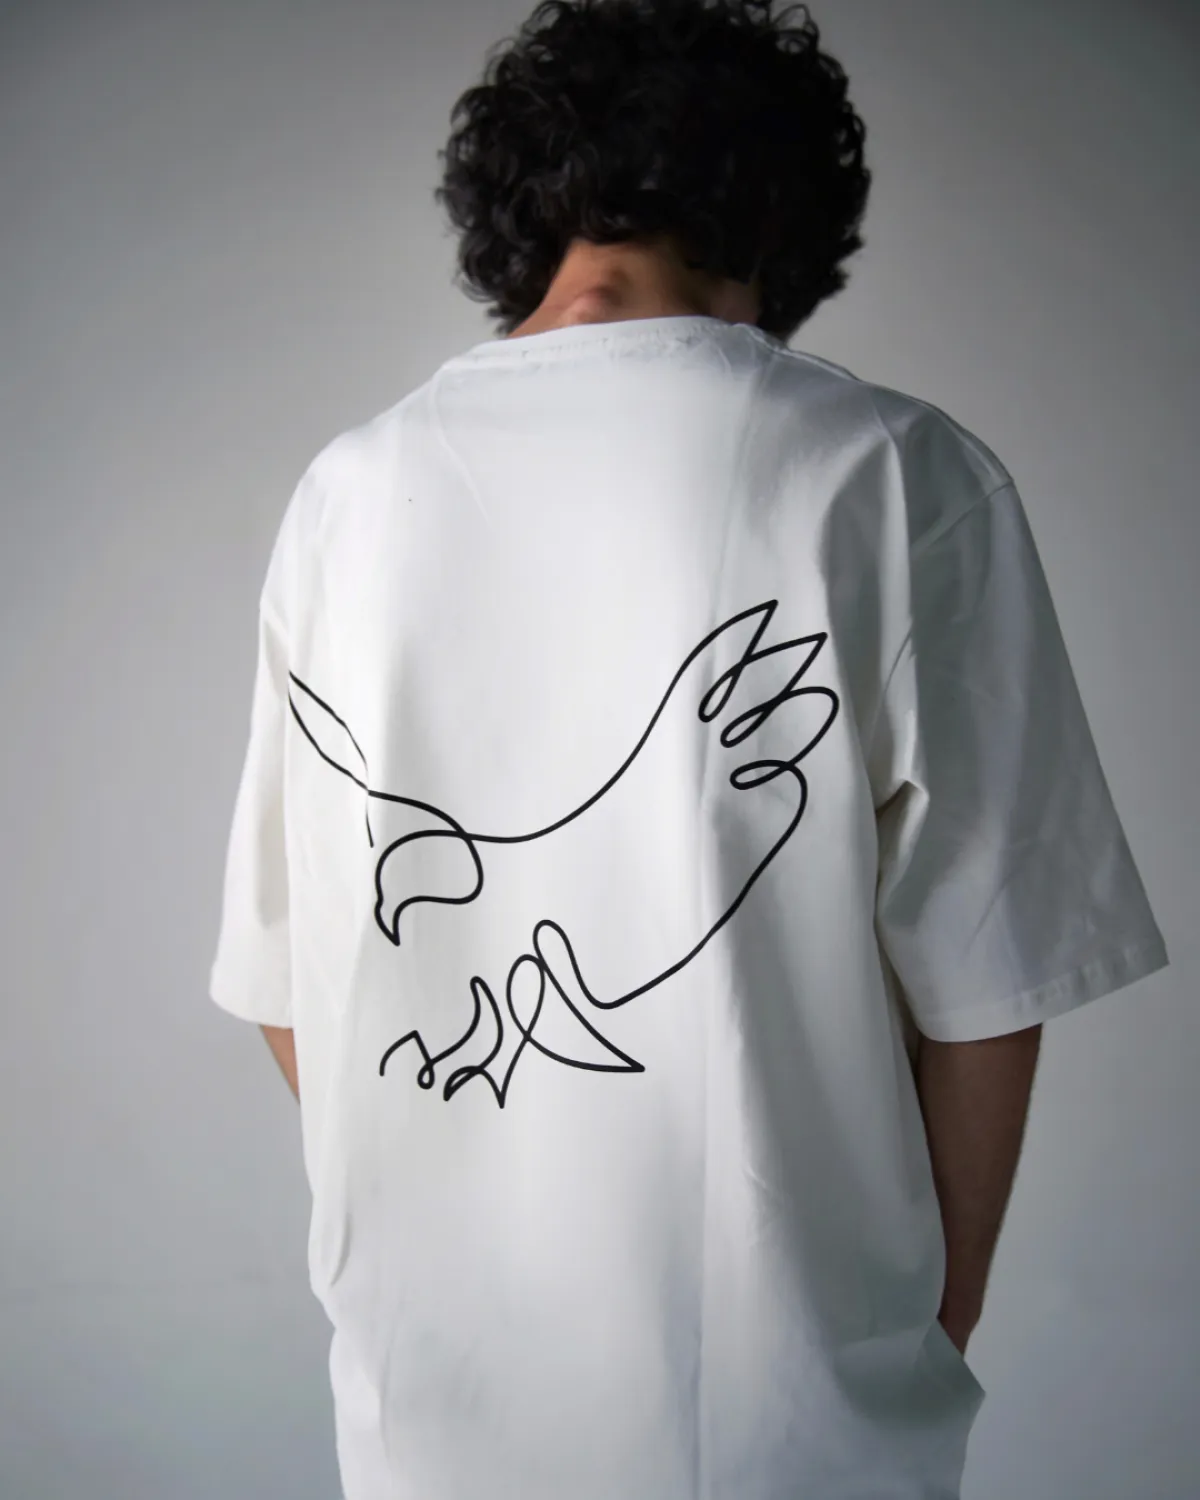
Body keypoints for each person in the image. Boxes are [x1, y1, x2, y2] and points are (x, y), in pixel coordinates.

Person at [209, 1, 1170, 1496]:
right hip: (798, 1410)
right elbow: (991, 985)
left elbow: (291, 986)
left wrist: (465, 1193)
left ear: (523, 211)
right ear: (776, 219)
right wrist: (929, 1320)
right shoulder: (891, 473)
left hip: (429, 1409)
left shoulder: (345, 496)